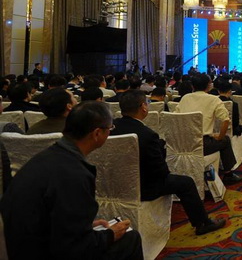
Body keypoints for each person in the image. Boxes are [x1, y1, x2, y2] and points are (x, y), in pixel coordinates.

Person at [0, 101, 143, 259]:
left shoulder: (49, 156)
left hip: (23, 245)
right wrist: (110, 234)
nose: (110, 132)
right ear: (97, 134)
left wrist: (85, 227)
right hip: (43, 252)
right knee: (130, 238)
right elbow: (75, 248)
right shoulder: (74, 174)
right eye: (110, 129)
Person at [111, 90, 226, 235]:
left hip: (114, 184)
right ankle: (203, 223)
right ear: (143, 107)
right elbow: (161, 172)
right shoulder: (147, 134)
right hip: (144, 187)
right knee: (186, 183)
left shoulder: (110, 129)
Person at [176, 73, 242, 184]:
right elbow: (226, 120)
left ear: (192, 86)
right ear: (209, 86)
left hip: (183, 142)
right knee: (225, 140)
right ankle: (228, 174)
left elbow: (176, 117)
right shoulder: (213, 100)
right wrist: (220, 136)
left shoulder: (185, 98)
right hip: (202, 144)